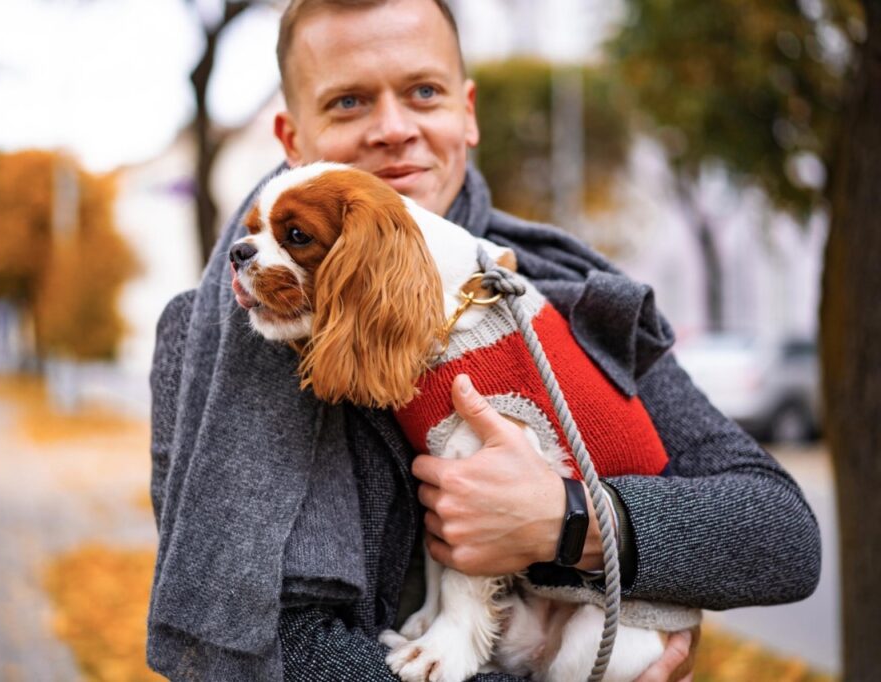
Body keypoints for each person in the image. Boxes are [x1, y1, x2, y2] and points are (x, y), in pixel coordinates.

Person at [146, 1, 822, 680]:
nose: (394, 129)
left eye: (423, 92)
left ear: (466, 113)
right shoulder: (213, 337)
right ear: (292, 138)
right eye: (349, 102)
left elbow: (781, 535)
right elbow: (274, 647)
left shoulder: (571, 289)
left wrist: (570, 521)